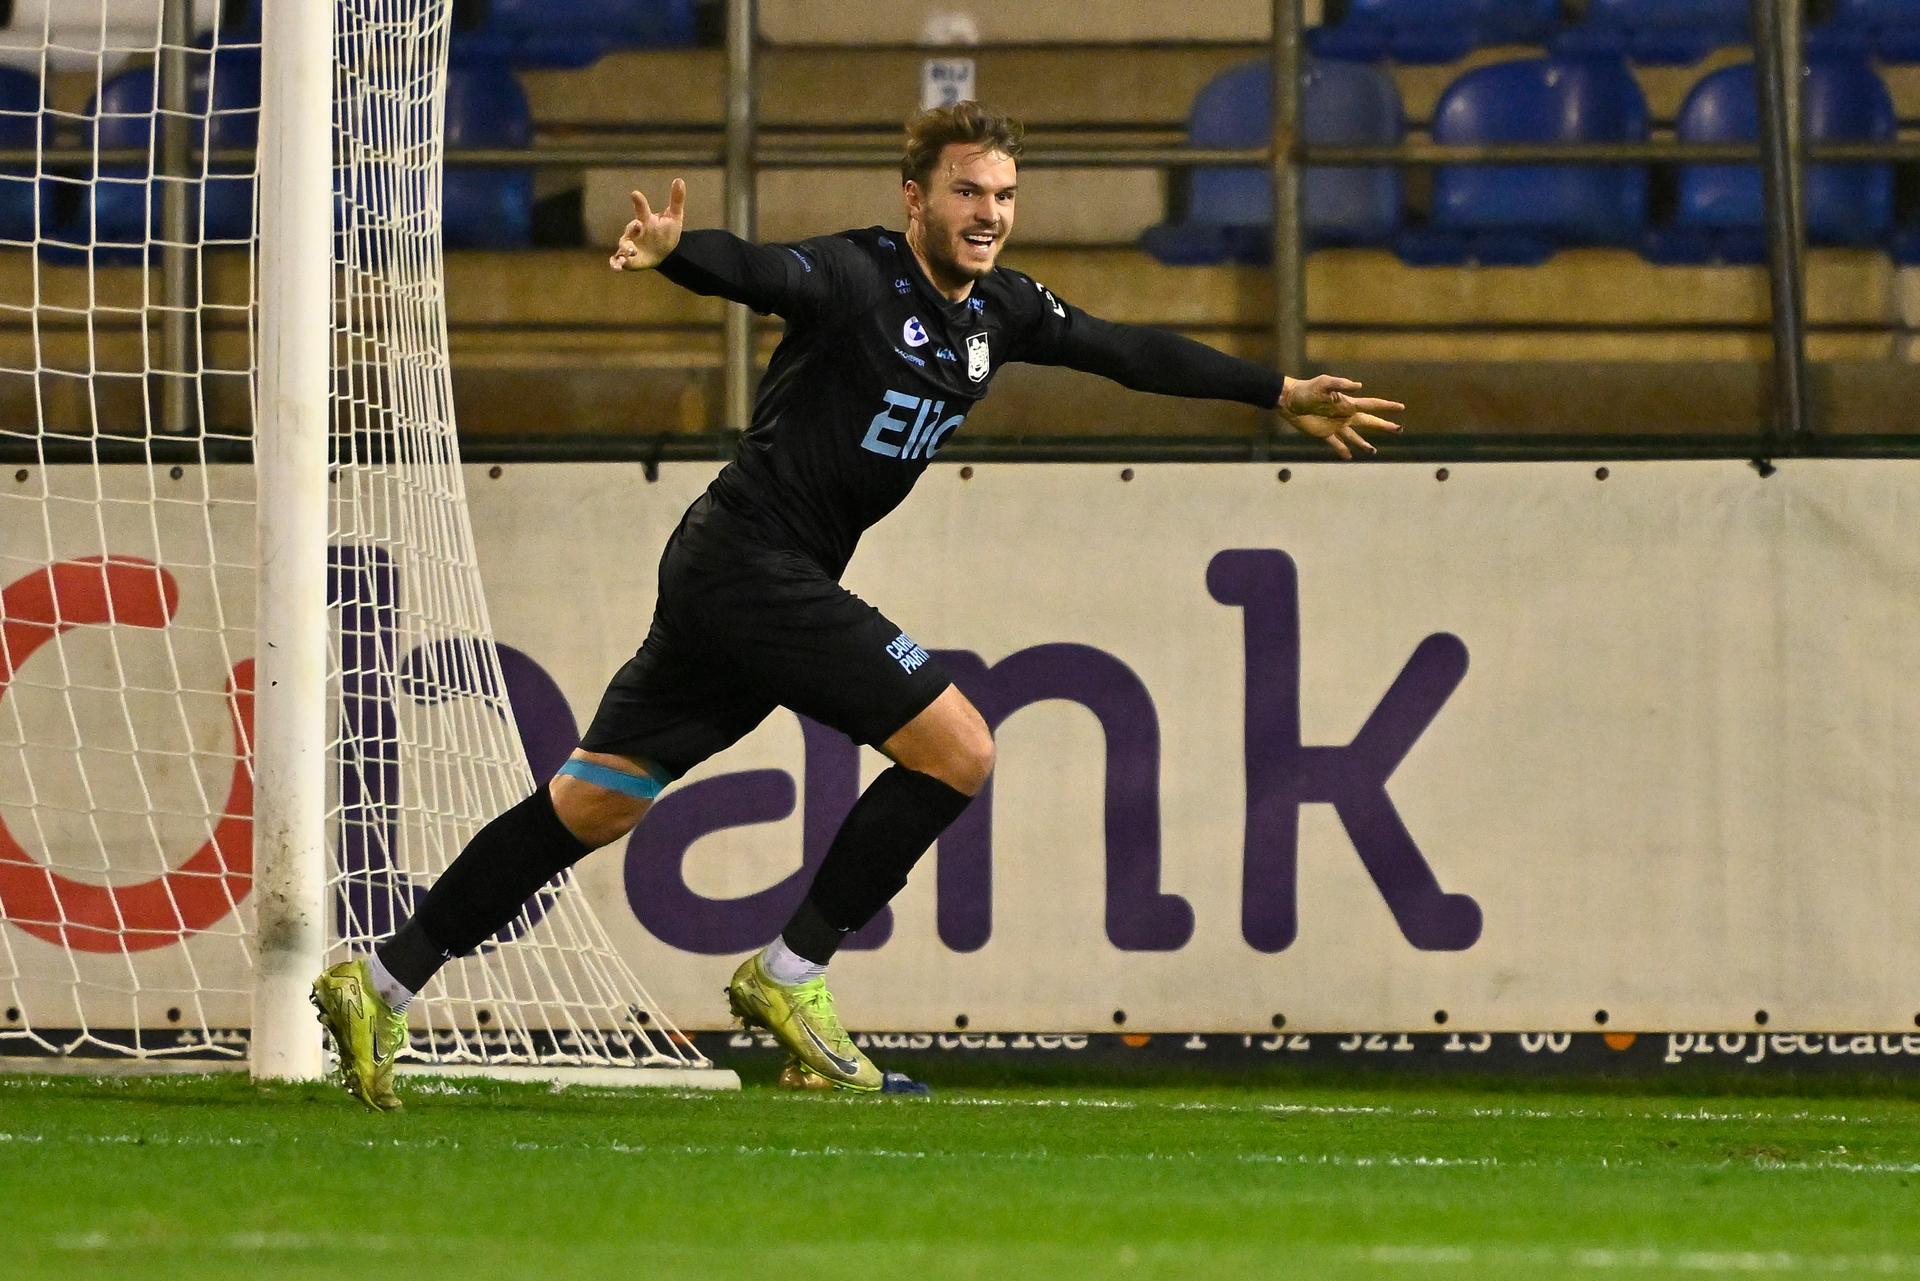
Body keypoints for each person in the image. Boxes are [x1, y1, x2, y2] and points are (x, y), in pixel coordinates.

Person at [311, 101, 1405, 1110]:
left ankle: (386, 983)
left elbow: (1126, 351)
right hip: (751, 563)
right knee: (959, 752)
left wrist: (1280, 393)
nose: (990, 215)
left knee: (594, 805)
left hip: (737, 572)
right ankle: (791, 976)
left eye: (1005, 196)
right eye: (969, 192)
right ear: (915, 198)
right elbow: (764, 273)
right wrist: (673, 254)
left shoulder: (1003, 311)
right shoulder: (859, 276)